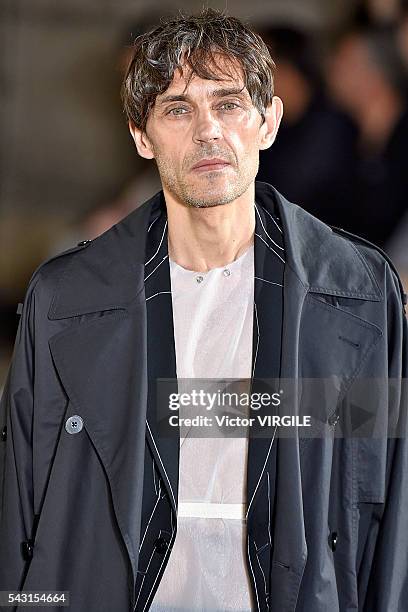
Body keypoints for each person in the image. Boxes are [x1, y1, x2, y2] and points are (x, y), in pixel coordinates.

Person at [0, 8, 407, 612]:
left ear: (268, 122)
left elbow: (378, 493)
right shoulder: (66, 299)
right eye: (177, 109)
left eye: (229, 104)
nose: (207, 130)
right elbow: (23, 503)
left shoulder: (357, 292)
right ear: (142, 136)